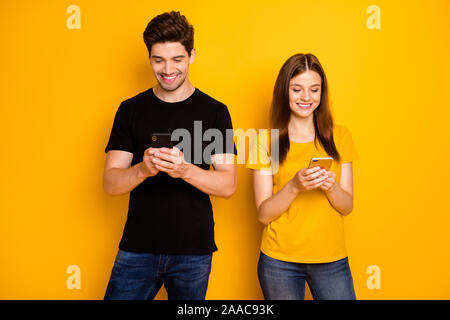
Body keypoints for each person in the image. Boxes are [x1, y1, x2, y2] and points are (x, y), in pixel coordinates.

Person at [103, 11, 237, 300]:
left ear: (191, 55)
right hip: (137, 248)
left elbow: (228, 185)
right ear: (149, 58)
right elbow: (111, 183)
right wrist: (143, 168)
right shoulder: (130, 110)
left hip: (193, 253)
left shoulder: (215, 112)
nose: (167, 69)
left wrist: (184, 170)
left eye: (177, 59)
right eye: (158, 60)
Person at [247, 53, 358, 300]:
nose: (306, 97)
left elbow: (347, 206)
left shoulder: (340, 137)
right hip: (279, 262)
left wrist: (331, 187)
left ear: (322, 93)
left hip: (332, 259)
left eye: (314, 89)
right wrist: (294, 186)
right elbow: (264, 214)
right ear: (284, 92)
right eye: (297, 89)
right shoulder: (265, 141)